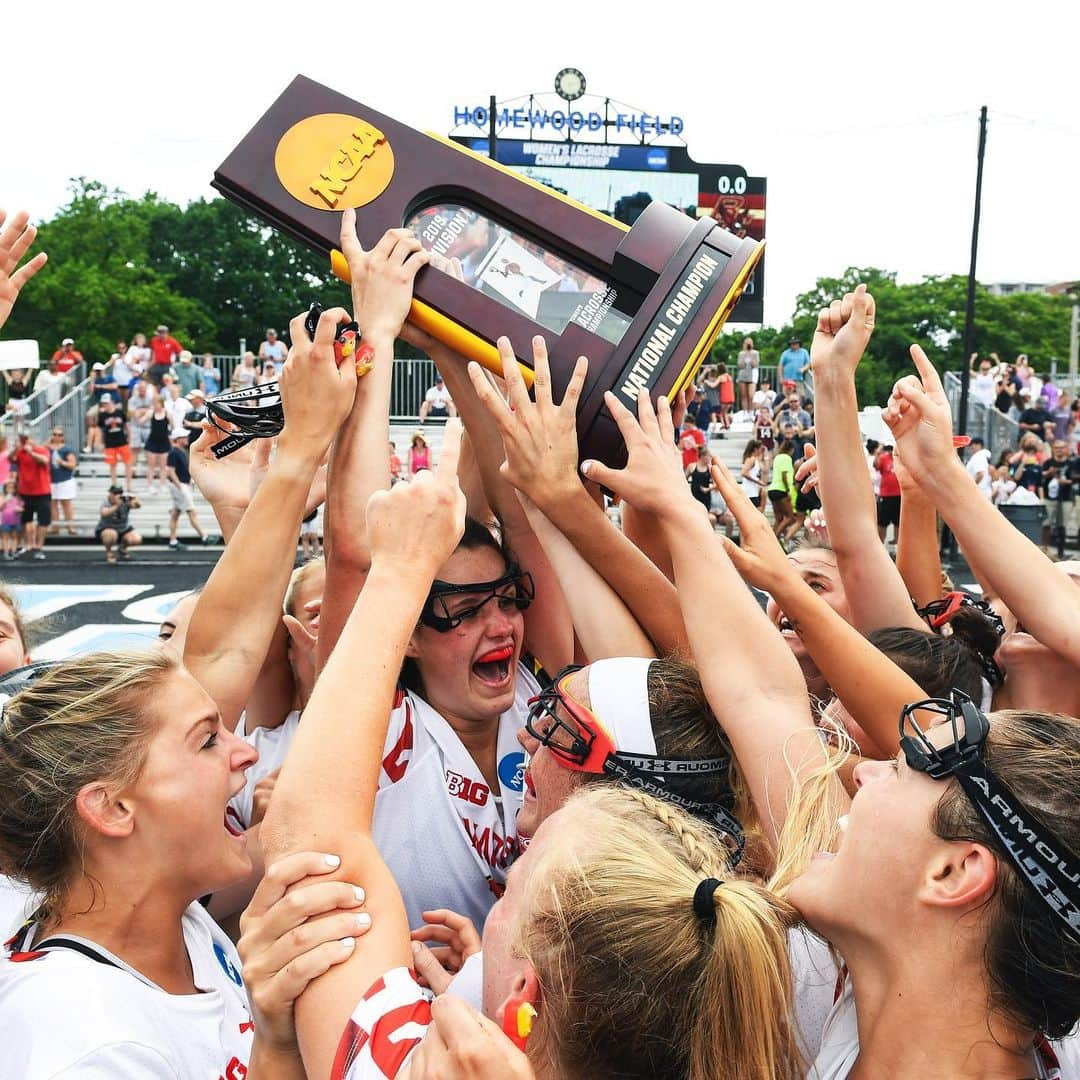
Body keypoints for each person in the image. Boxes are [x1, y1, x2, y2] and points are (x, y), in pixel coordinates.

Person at [255, 430, 802, 1080]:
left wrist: (278, 1047)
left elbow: (314, 833)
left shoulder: (436, 1056)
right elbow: (752, 697)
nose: (528, 728)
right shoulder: (770, 992)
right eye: (465, 609)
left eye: (517, 883)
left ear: (524, 998)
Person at [0, 651, 366, 1078]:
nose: (247, 752)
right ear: (113, 807)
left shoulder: (178, 920)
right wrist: (278, 1046)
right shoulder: (85, 1047)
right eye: (208, 739)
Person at [165, 428, 208, 549]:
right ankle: (204, 537)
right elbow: (170, 471)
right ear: (178, 439)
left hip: (183, 484)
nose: (186, 439)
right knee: (191, 511)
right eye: (184, 437)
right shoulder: (173, 452)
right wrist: (179, 486)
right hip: (179, 486)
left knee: (175, 513)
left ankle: (172, 541)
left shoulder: (182, 451)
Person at [12, 432, 50, 560]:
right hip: (25, 492)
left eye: (27, 439)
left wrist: (31, 452)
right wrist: (15, 448)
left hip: (42, 492)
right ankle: (27, 545)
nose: (25, 442)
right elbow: (10, 459)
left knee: (43, 521)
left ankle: (38, 548)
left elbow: (44, 461)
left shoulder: (41, 450)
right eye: (22, 439)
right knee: (25, 520)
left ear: (33, 440)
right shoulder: (20, 452)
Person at [95, 485, 142, 562]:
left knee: (136, 538)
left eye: (119, 493)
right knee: (111, 534)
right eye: (114, 493)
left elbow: (137, 506)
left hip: (123, 528)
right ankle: (109, 552)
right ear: (110, 493)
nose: (116, 495)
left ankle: (122, 548)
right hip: (107, 528)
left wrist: (135, 499)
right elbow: (104, 513)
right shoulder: (106, 502)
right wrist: (116, 505)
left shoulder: (125, 500)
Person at [97, 394, 132, 491]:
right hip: (109, 443)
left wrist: (129, 437)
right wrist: (100, 442)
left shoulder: (120, 412)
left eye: (106, 403)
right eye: (103, 404)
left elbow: (126, 426)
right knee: (112, 465)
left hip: (122, 441)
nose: (105, 405)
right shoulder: (102, 415)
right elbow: (100, 430)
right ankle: (114, 485)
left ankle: (129, 485)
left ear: (112, 402)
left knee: (128, 463)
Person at [47, 426, 78, 536]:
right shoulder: (47, 448)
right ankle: (55, 526)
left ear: (63, 437)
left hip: (64, 480)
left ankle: (70, 526)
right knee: (52, 504)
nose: (56, 437)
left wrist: (62, 462)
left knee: (66, 504)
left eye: (59, 435)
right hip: (51, 480)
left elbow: (73, 464)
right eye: (54, 434)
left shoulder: (66, 449)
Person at [767, 437, 797, 541]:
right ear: (791, 449)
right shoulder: (787, 458)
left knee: (779, 519)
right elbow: (784, 475)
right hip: (781, 490)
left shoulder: (777, 457)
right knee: (790, 517)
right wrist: (788, 490)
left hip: (772, 489)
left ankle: (773, 540)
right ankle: (775, 539)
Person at [126, 375, 155, 481]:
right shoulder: (132, 400)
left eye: (143, 389)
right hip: (136, 427)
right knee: (135, 449)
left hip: (148, 427)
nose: (142, 390)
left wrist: (140, 411)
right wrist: (145, 411)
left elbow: (153, 412)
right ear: (137, 389)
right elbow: (133, 414)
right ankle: (133, 470)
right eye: (140, 389)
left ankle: (151, 471)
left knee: (150, 450)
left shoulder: (151, 399)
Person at [143, 393, 172, 493]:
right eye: (153, 403)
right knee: (151, 465)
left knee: (163, 466)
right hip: (152, 442)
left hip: (164, 441)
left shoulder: (167, 413)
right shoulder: (151, 413)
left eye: (157, 403)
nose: (155, 405)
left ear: (161, 404)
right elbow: (141, 421)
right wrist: (144, 413)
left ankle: (162, 484)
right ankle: (150, 485)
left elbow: (173, 426)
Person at [874, 442, 902, 543]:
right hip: (885, 496)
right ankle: (880, 543)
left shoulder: (901, 458)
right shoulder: (883, 458)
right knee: (882, 523)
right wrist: (877, 453)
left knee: (898, 522)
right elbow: (876, 466)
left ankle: (897, 544)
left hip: (899, 495)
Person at [964, 435, 993, 500]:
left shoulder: (978, 456)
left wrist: (971, 488)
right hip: (983, 492)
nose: (970, 447)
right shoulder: (983, 456)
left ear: (979, 445)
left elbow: (980, 474)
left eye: (972, 444)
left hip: (979, 493)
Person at [0, 479, 23, 559]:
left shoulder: (18, 498)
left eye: (12, 488)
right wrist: (5, 500)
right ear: (5, 489)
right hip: (5, 521)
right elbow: (0, 507)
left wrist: (19, 510)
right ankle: (6, 552)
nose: (11, 490)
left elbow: (22, 508)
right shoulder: (2, 497)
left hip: (16, 520)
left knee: (14, 537)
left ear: (15, 489)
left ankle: (13, 552)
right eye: (8, 488)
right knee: (5, 537)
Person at [736, 336, 759, 413]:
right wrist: (745, 355)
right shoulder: (741, 354)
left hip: (752, 375)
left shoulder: (755, 353)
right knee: (744, 395)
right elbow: (740, 365)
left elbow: (755, 365)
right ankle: (745, 412)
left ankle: (751, 412)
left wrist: (751, 356)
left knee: (751, 395)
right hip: (743, 375)